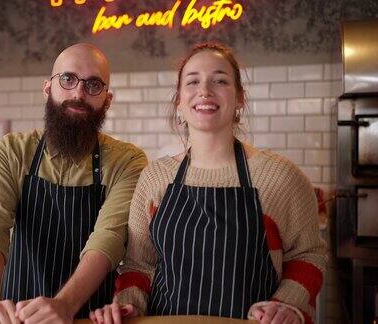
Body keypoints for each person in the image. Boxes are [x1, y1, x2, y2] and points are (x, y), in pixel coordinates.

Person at [90, 42, 326, 324]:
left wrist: (286, 305)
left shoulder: (280, 177)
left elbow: (308, 254)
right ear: (179, 101)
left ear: (240, 98)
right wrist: (128, 306)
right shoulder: (155, 177)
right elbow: (140, 265)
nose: (204, 91)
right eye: (193, 81)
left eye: (220, 80)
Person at [0, 43, 148, 324]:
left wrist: (64, 305)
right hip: (16, 317)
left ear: (107, 100)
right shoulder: (11, 151)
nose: (78, 93)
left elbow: (108, 238)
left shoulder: (128, 161)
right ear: (47, 88)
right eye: (67, 79)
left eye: (93, 84)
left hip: (90, 318)